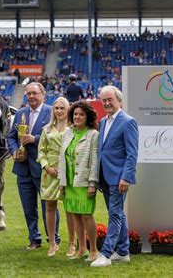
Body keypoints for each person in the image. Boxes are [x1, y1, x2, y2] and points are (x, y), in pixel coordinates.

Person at [7, 82, 60, 250]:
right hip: (22, 169)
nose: (31, 96)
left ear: (43, 95)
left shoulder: (52, 112)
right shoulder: (21, 113)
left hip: (44, 169)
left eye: (35, 93)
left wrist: (35, 139)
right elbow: (11, 137)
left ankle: (53, 239)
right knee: (28, 207)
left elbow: (57, 134)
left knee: (49, 206)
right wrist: (15, 151)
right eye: (28, 93)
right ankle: (34, 238)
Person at [91, 86, 138, 267]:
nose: (107, 103)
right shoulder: (103, 121)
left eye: (110, 99)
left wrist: (126, 177)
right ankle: (124, 252)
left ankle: (106, 254)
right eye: (104, 100)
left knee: (115, 215)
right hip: (105, 176)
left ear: (119, 100)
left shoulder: (128, 122)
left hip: (119, 178)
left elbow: (132, 153)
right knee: (117, 213)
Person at [58, 101, 100, 262]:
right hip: (69, 182)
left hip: (84, 182)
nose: (77, 117)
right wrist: (62, 181)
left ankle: (94, 250)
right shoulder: (68, 132)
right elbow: (62, 158)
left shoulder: (93, 135)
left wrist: (92, 183)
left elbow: (95, 161)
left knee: (86, 215)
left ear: (87, 117)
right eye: (75, 114)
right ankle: (81, 248)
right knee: (75, 214)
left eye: (81, 114)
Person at [37, 97, 73, 257]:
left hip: (68, 172)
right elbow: (41, 151)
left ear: (68, 110)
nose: (59, 111)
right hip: (49, 173)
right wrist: (47, 167)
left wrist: (65, 167)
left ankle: (72, 244)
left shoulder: (73, 128)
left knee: (70, 209)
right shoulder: (47, 129)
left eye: (62, 108)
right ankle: (52, 243)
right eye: (56, 108)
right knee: (50, 207)